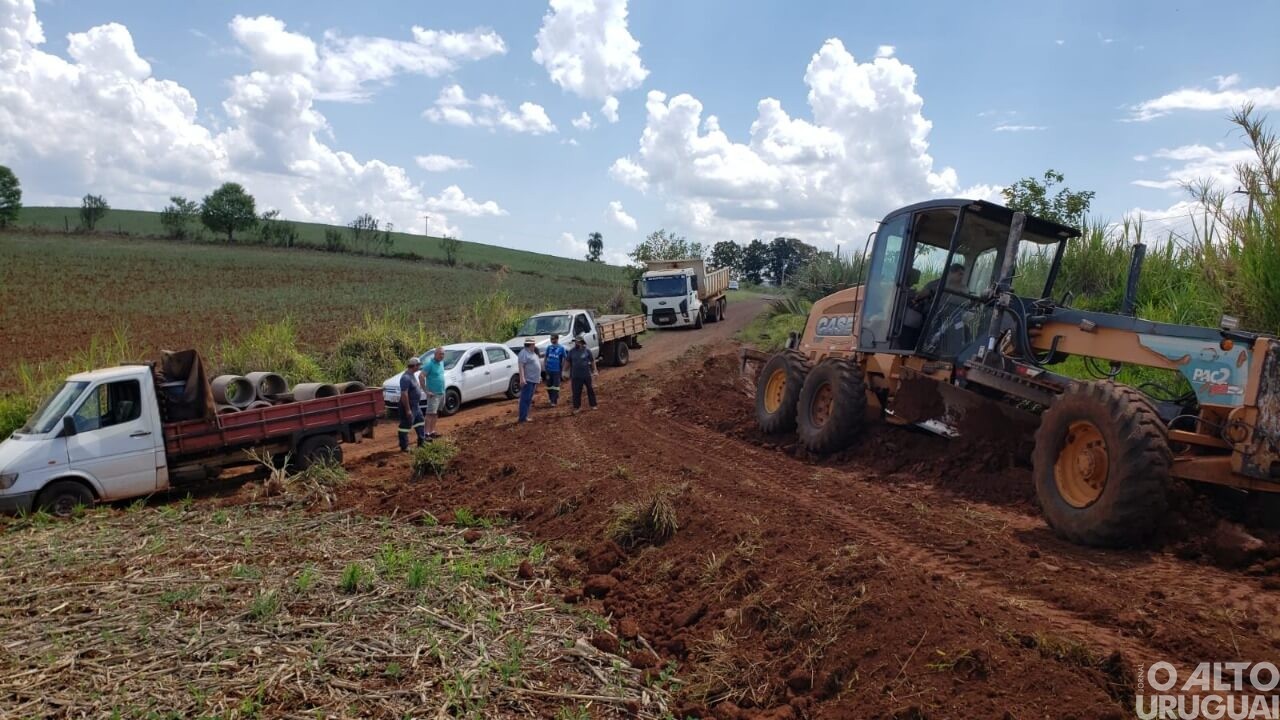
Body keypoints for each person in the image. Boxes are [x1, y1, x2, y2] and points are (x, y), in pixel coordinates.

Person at [397, 356, 427, 451]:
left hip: (416, 405)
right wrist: (408, 410)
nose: (419, 367)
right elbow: (404, 394)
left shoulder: (412, 375)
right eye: (418, 365)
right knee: (405, 425)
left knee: (420, 422)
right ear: (414, 366)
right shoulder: (405, 378)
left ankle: (422, 442)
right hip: (409, 406)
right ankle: (404, 446)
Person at [566, 335, 598, 414]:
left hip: (586, 374)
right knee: (576, 392)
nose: (576, 343)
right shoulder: (572, 351)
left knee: (590, 389)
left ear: (581, 342)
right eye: (575, 342)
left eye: (578, 342)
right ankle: (577, 407)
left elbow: (592, 361)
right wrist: (564, 371)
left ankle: (593, 405)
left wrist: (595, 370)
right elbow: (568, 362)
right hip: (575, 375)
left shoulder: (587, 351)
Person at [420, 346, 447, 438]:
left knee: (435, 413)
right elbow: (421, 376)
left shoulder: (441, 363)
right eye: (440, 354)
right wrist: (426, 391)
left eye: (443, 354)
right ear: (435, 354)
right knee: (429, 414)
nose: (442, 356)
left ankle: (432, 431)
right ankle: (426, 433)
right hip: (433, 394)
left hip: (441, 392)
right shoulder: (429, 364)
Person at [517, 338, 541, 423]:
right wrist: (522, 378)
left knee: (529, 399)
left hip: (533, 380)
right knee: (525, 399)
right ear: (530, 344)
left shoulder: (532, 352)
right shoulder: (523, 353)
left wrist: (539, 376)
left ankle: (525, 416)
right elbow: (521, 366)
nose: (534, 345)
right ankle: (522, 418)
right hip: (528, 380)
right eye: (533, 344)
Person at [543, 333, 567, 406]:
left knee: (555, 386)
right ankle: (551, 398)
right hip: (548, 370)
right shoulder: (549, 347)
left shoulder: (561, 348)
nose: (552, 340)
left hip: (556, 370)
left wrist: (563, 368)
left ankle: (554, 401)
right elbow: (545, 357)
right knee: (549, 386)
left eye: (553, 339)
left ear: (557, 339)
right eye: (551, 339)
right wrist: (545, 365)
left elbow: (565, 358)